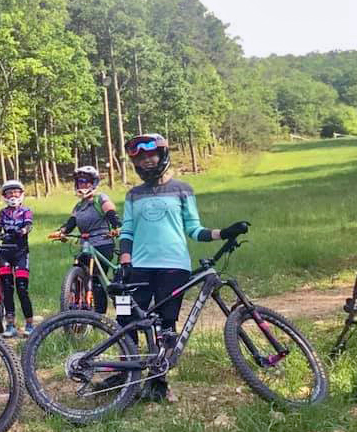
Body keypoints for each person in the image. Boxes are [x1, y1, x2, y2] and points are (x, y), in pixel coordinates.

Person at [118, 133, 248, 401]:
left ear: (163, 156)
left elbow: (194, 229)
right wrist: (125, 261)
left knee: (166, 325)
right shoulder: (133, 195)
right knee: (128, 321)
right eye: (140, 159)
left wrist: (224, 232)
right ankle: (126, 379)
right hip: (140, 266)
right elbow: (127, 231)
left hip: (173, 266)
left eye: (151, 156)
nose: (147, 162)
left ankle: (158, 383)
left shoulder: (183, 189)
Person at [53, 166, 121, 315]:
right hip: (85, 245)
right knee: (80, 273)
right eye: (80, 182)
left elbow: (111, 214)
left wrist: (117, 227)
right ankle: (76, 306)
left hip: (103, 242)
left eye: (87, 182)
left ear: (93, 183)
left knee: (97, 279)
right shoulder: (78, 206)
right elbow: (70, 223)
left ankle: (100, 316)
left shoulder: (100, 198)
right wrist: (61, 232)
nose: (83, 185)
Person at [0, 180, 35, 337]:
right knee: (7, 287)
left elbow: (29, 225)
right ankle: (10, 324)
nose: (12, 195)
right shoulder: (2, 213)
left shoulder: (26, 211)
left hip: (21, 252)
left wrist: (24, 230)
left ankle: (29, 323)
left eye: (15, 192)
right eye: (9, 193)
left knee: (22, 287)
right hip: (5, 252)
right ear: (5, 196)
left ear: (21, 194)